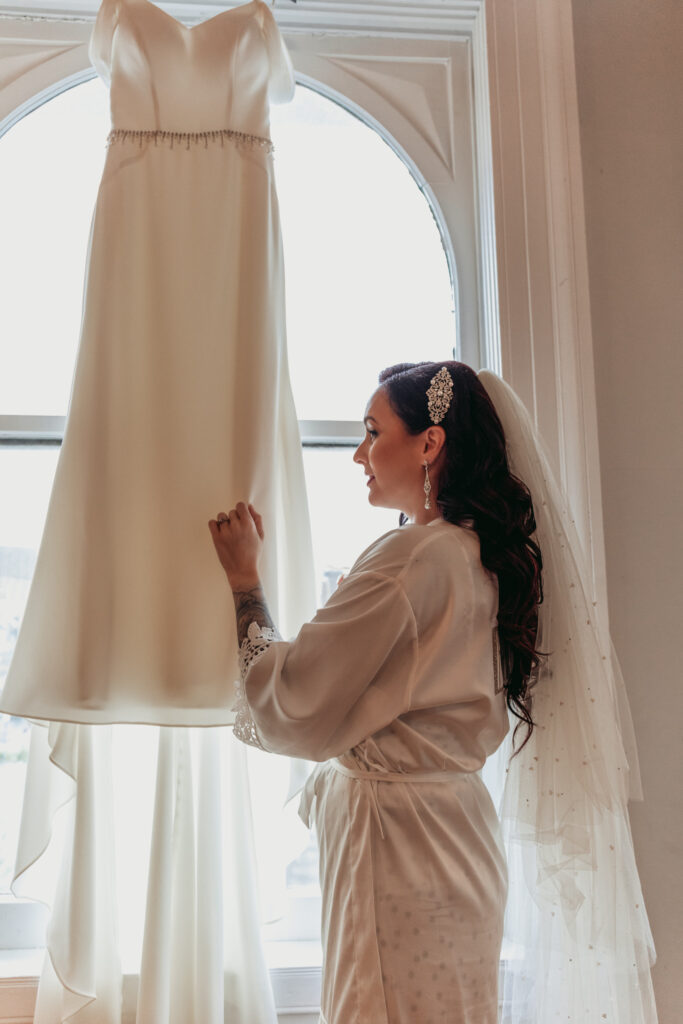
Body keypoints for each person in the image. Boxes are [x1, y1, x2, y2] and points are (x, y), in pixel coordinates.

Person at [208, 360, 544, 1024]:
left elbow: (295, 697)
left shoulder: (414, 556)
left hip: (398, 845)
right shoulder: (476, 553)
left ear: (429, 443)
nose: (359, 455)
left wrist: (245, 583)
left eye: (372, 432)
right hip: (458, 834)